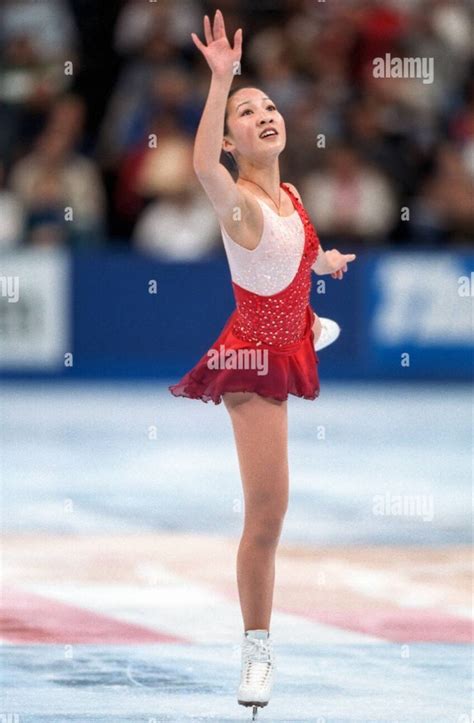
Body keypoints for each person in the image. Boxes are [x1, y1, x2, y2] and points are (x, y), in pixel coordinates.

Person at [168, 9, 356, 717]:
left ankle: (310, 325)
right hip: (251, 358)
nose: (264, 114)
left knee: (273, 511)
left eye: (269, 105)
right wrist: (221, 80)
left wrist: (324, 261)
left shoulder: (293, 196)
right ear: (231, 137)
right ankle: (256, 648)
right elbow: (198, 168)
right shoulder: (241, 204)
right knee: (269, 516)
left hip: (288, 327)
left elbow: (297, 252)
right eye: (247, 112)